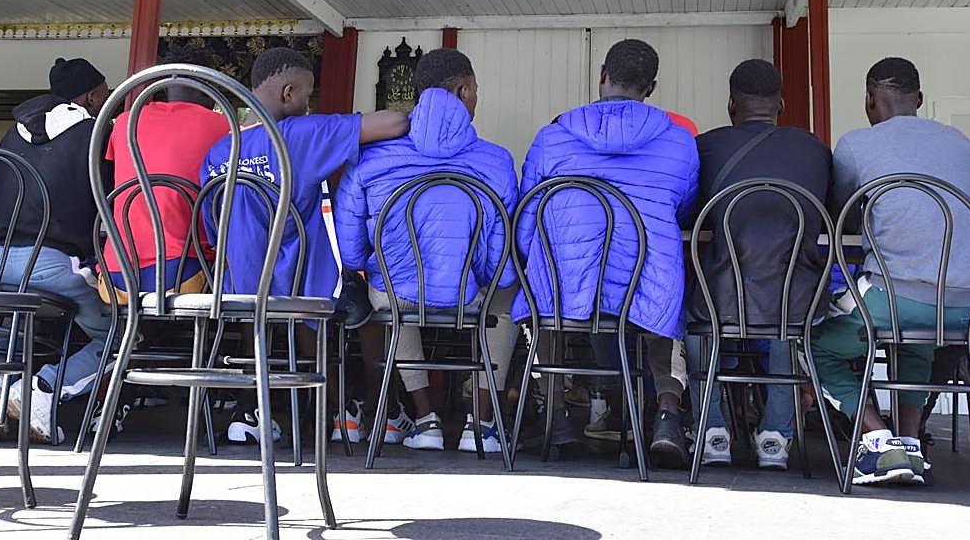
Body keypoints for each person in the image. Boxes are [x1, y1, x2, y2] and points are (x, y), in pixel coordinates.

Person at [201, 47, 408, 444]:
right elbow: (394, 123)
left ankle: (251, 407)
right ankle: (337, 413)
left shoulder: (217, 152)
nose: (307, 105)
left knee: (256, 300)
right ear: (288, 92)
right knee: (337, 300)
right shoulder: (298, 134)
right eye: (307, 95)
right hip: (299, 284)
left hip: (236, 291)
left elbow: (213, 229)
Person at [515, 38, 699, 468]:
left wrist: (540, 260)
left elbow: (526, 219)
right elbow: (684, 208)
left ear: (602, 76)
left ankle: (555, 413)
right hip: (644, 282)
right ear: (650, 88)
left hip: (566, 283)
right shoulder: (679, 141)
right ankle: (667, 413)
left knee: (542, 295)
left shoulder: (551, 137)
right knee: (663, 299)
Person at [812, 57, 970, 486]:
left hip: (895, 299)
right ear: (920, 99)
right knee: (915, 343)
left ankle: (878, 439)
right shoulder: (963, 144)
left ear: (869, 101)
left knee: (812, 343)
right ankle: (909, 443)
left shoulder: (856, 144)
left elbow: (840, 218)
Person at [335, 48, 519, 453]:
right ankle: (482, 425)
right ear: (464, 90)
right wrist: (482, 278)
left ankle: (424, 420)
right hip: (470, 295)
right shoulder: (496, 161)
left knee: (387, 296)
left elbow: (351, 251)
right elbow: (503, 255)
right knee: (508, 298)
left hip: (396, 294)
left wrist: (372, 266)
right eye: (475, 91)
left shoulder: (372, 156)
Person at [683, 59, 831, 470]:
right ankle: (775, 438)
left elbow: (688, 216)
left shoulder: (705, 147)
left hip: (721, 297)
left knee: (691, 322)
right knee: (785, 313)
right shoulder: (814, 149)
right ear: (781, 104)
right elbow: (835, 218)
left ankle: (712, 430)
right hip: (797, 299)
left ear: (731, 104)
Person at [0, 57, 113, 443]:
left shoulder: (10, 135)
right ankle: (43, 390)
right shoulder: (95, 133)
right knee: (120, 332)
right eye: (103, 95)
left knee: (15, 315)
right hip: (50, 263)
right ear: (90, 96)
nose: (104, 103)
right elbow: (108, 205)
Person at [99, 45, 230, 304]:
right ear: (209, 86)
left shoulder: (125, 122)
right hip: (183, 274)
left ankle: (133, 329)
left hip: (115, 276)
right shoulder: (223, 127)